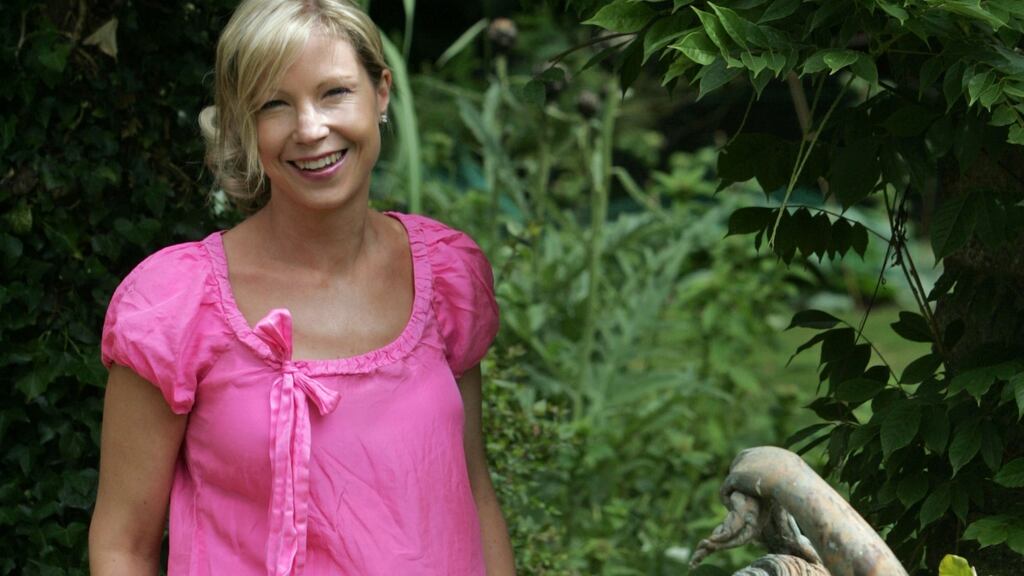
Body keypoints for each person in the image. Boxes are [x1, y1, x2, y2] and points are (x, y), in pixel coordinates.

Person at [87, 0, 515, 574]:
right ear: (244, 124)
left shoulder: (445, 276)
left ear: (381, 92)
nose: (311, 129)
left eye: (335, 92)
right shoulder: (177, 306)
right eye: (274, 104)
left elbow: (473, 491)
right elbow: (123, 545)